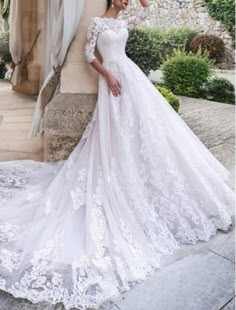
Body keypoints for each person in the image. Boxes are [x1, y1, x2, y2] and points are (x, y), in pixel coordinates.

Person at [0, 0, 234, 309]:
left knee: (145, 132)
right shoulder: (97, 22)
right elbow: (88, 55)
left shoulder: (123, 23)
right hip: (112, 78)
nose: (126, 1)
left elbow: (146, 5)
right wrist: (107, 75)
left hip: (131, 76)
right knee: (115, 134)